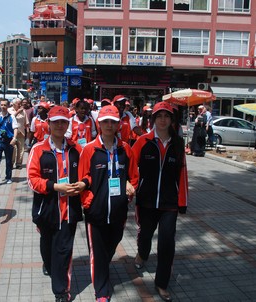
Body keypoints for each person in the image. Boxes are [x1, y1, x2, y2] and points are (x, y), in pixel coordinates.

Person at [78, 105, 139, 302]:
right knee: (97, 253)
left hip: (119, 211)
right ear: (99, 123)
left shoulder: (125, 149)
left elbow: (134, 177)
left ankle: (102, 266)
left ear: (119, 124)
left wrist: (129, 191)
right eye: (105, 121)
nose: (109, 125)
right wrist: (89, 203)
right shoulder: (89, 149)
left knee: (110, 246)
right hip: (96, 212)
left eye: (113, 121)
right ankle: (101, 292)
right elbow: (83, 177)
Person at [131, 101, 188, 302]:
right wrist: (133, 187)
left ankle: (162, 283)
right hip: (146, 200)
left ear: (172, 120)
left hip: (169, 203)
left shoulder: (178, 144)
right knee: (145, 233)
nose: (163, 120)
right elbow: (131, 167)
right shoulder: (142, 141)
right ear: (153, 119)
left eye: (167, 116)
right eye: (159, 116)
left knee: (166, 242)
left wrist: (182, 202)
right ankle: (142, 254)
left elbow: (182, 175)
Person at [27, 106, 85, 302]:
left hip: (70, 210)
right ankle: (48, 264)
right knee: (47, 246)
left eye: (63, 122)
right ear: (49, 124)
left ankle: (61, 292)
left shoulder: (77, 149)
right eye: (56, 122)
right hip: (46, 208)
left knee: (63, 250)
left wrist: (82, 184)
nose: (60, 125)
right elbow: (32, 180)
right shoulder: (38, 149)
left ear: (68, 124)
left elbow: (86, 174)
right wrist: (55, 187)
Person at [0, 99, 18, 187]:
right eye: (1, 105)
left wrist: (14, 138)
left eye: (5, 105)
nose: (3, 107)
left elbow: (15, 128)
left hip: (8, 141)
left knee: (8, 161)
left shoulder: (12, 117)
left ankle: (8, 177)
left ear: (8, 106)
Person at [8, 98, 28, 169]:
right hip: (12, 133)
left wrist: (27, 133)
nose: (20, 105)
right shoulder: (9, 110)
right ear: (13, 104)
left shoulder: (23, 111)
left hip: (21, 133)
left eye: (20, 103)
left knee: (21, 149)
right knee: (13, 149)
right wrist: (18, 112)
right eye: (18, 103)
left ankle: (19, 164)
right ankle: (11, 163)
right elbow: (9, 119)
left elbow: (26, 123)